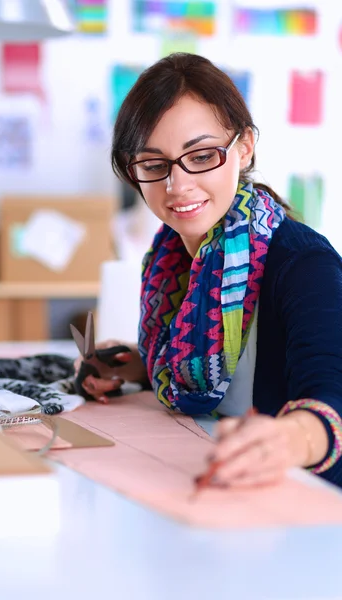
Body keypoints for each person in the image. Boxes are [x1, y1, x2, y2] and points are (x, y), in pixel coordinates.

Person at [75, 52, 342, 490]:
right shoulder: (172, 261)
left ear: (244, 147)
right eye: (154, 165)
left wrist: (292, 438)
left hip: (305, 503)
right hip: (212, 483)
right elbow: (221, 366)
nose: (176, 186)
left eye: (201, 156)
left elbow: (332, 396)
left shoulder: (303, 264)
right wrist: (139, 367)